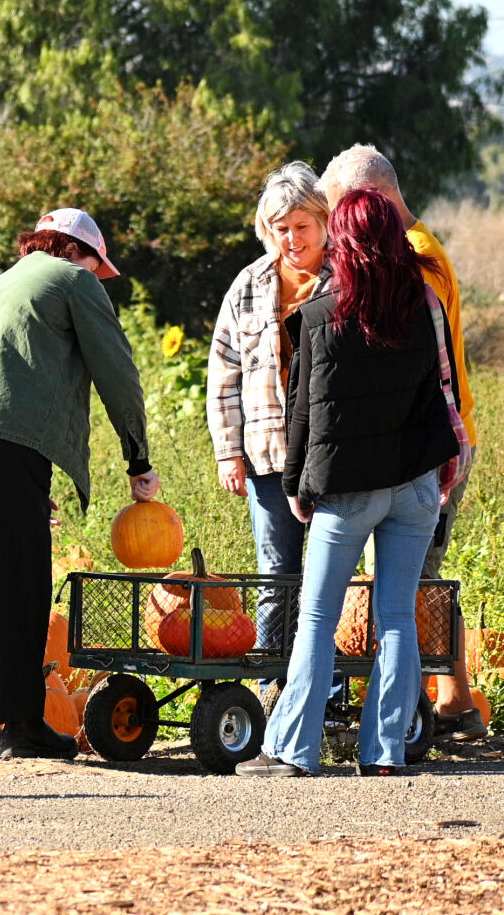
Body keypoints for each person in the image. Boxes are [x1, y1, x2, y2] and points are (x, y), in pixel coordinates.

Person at [0, 209, 158, 762]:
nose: (99, 282)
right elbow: (116, 368)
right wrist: (137, 458)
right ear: (79, 253)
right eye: (100, 270)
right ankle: (23, 726)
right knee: (15, 578)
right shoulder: (71, 278)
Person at [237, 189, 460, 777]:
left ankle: (292, 750)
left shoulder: (315, 315)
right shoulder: (424, 303)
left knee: (316, 615)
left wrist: (294, 485)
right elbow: (443, 388)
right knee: (396, 617)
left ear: (342, 240)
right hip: (413, 487)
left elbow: (303, 414)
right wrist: (450, 457)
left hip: (346, 493)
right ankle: (385, 753)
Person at [319, 144, 486, 740]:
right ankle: (453, 702)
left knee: (407, 585)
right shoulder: (419, 251)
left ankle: (411, 710)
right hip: (429, 439)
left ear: (375, 200)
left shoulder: (415, 260)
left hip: (427, 446)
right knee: (421, 580)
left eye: (345, 209)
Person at [207, 162, 332, 668]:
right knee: (275, 573)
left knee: (329, 578)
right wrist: (228, 452)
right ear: (267, 230)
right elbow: (224, 370)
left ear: (324, 222)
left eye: (302, 227)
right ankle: (271, 686)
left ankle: (329, 693)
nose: (293, 240)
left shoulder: (344, 278)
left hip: (333, 454)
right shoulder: (250, 284)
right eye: (282, 230)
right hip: (269, 455)